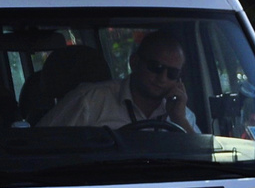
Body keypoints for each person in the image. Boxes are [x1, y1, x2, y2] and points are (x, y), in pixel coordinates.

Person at [40, 29, 200, 133]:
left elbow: (203, 163)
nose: (163, 78)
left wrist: (179, 120)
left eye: (172, 73)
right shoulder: (89, 100)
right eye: (156, 67)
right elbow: (40, 143)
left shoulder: (181, 113)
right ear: (135, 63)